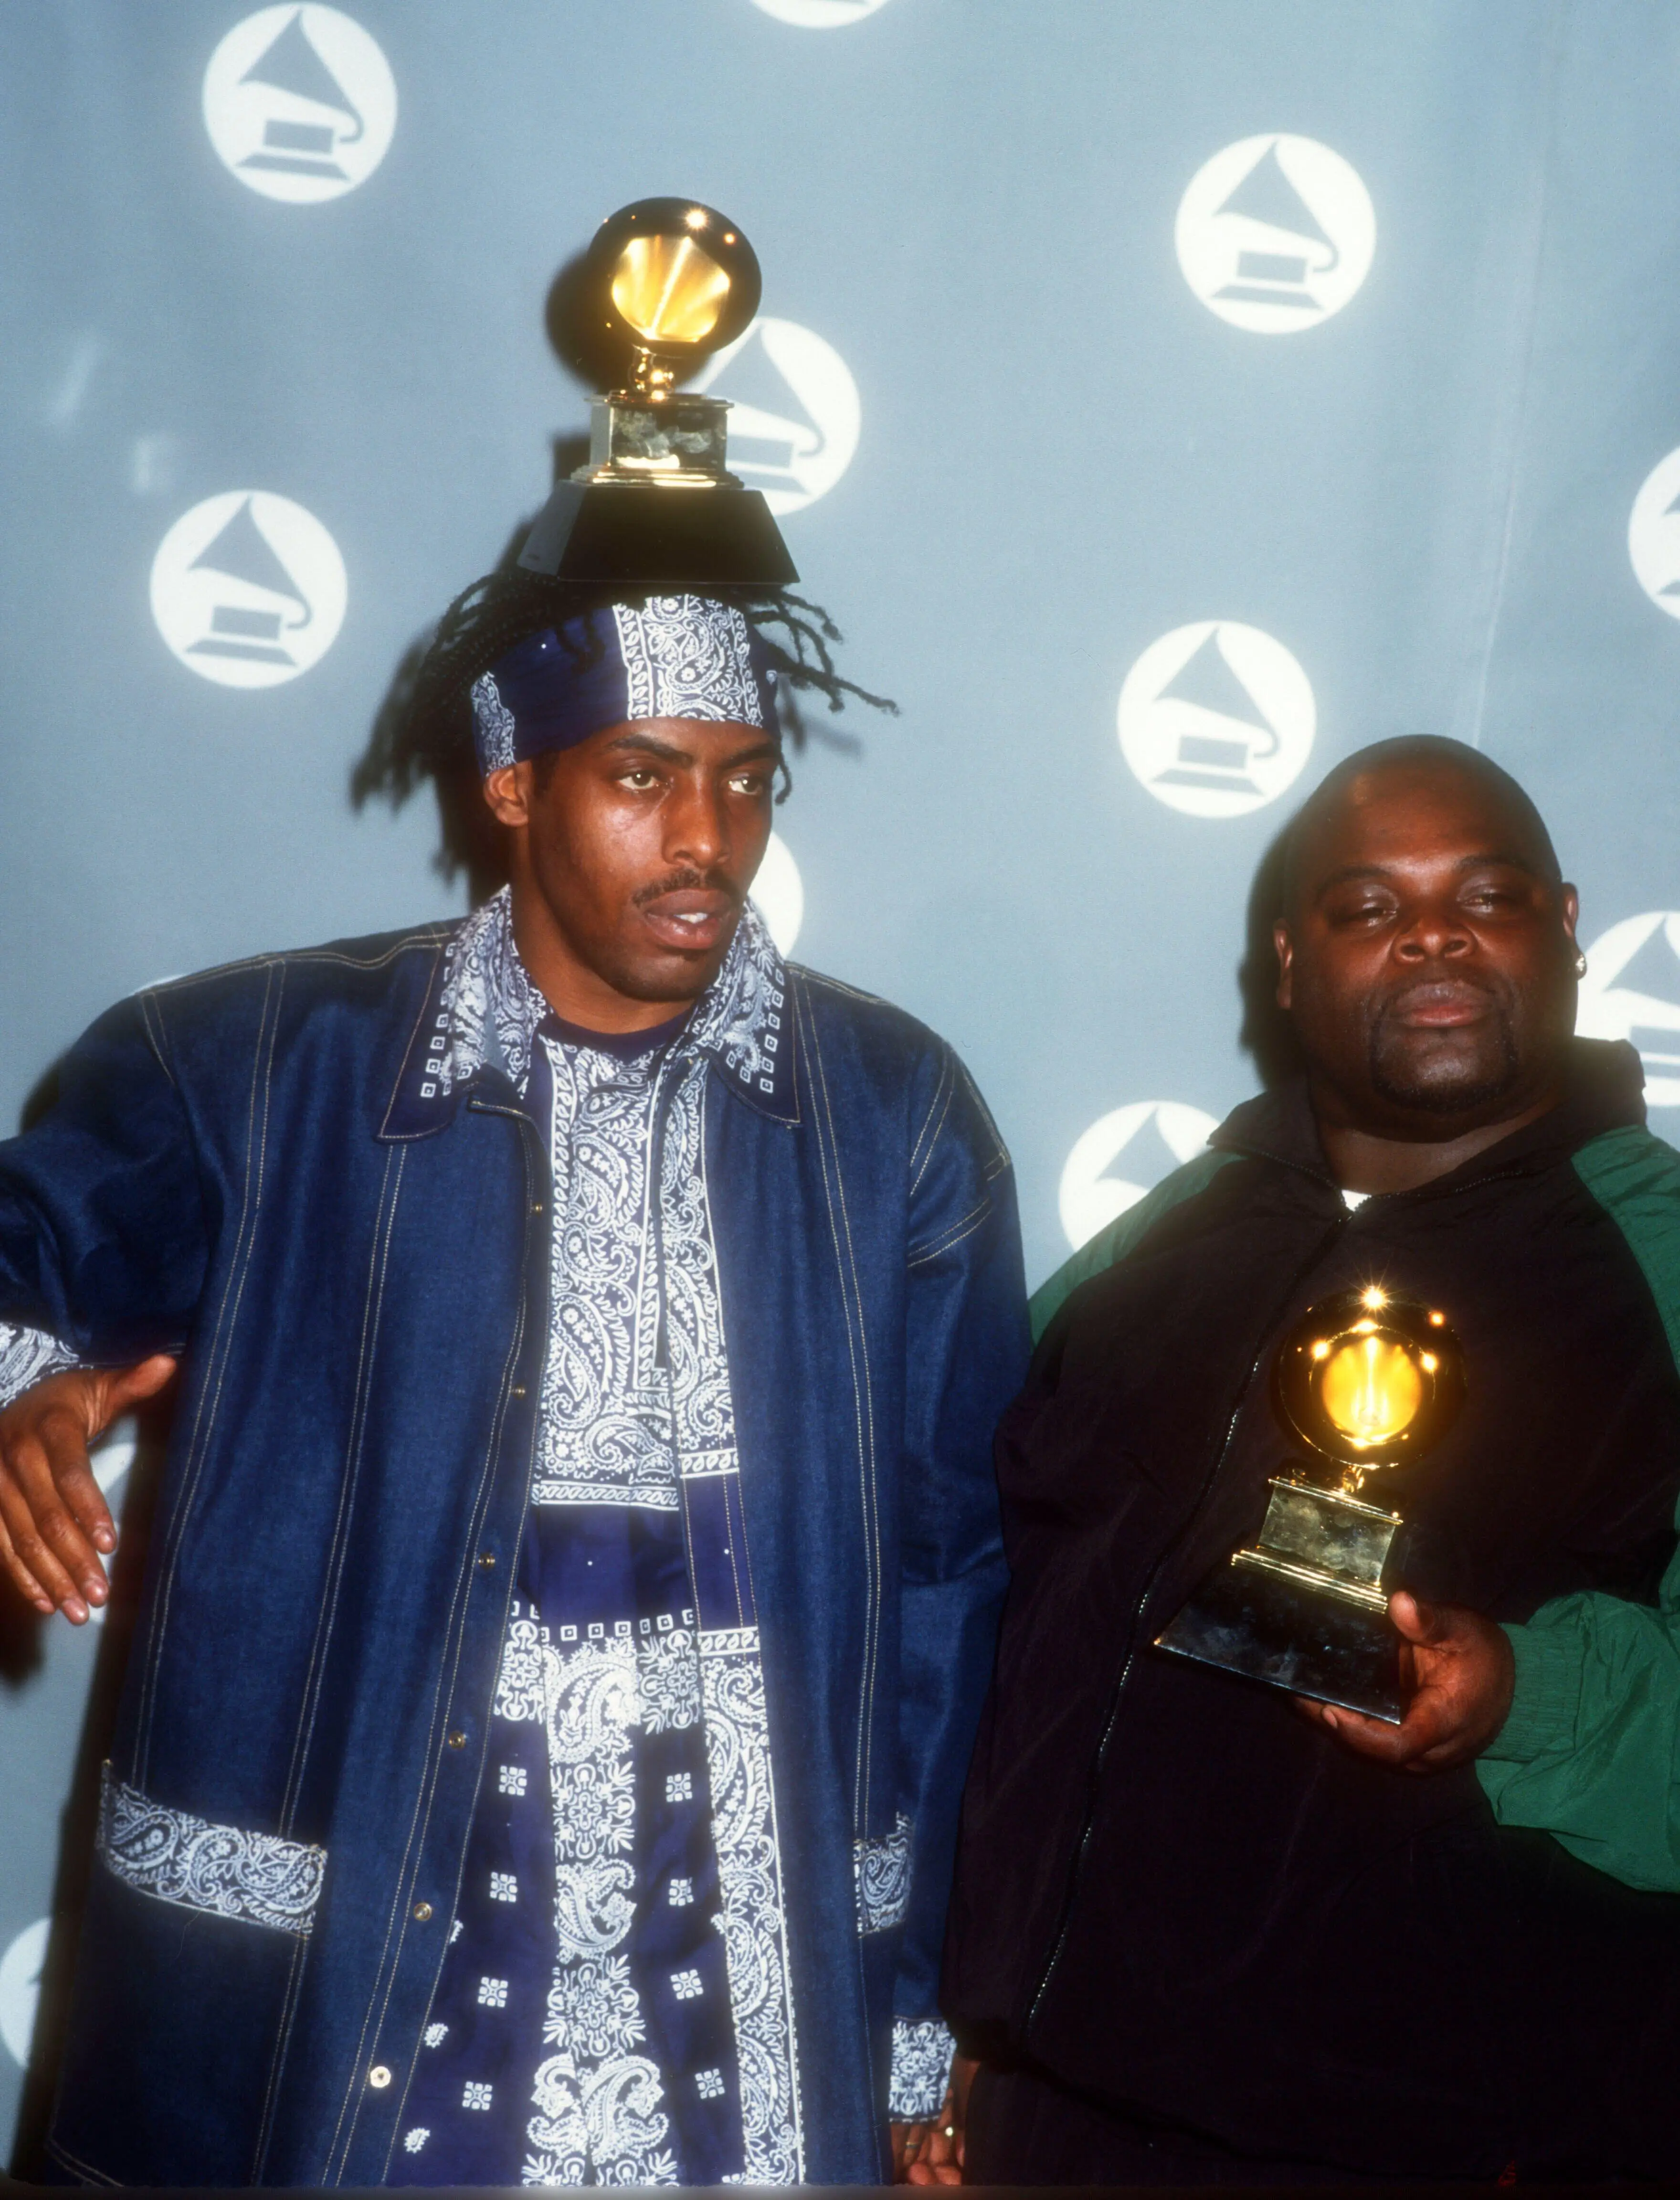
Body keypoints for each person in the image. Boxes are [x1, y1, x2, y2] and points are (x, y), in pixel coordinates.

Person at [0, 576, 1027, 2187]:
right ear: (512, 787)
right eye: (640, 774)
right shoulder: (261, 1062)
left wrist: (908, 2014)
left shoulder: (891, 1117)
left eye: (745, 776)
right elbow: (28, 1254)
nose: (707, 835)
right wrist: (25, 1393)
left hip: (736, 1940)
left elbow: (952, 1586)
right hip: (361, 1920)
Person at [943, 735, 1680, 2185]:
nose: (1431, 934)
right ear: (1288, 964)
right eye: (1366, 907)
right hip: (1058, 2120)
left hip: (1442, 2139)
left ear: (1565, 926)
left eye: (1486, 892)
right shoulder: (1166, 1237)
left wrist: (1523, 1696)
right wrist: (964, 2021)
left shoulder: (1657, 1263)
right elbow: (997, 1602)